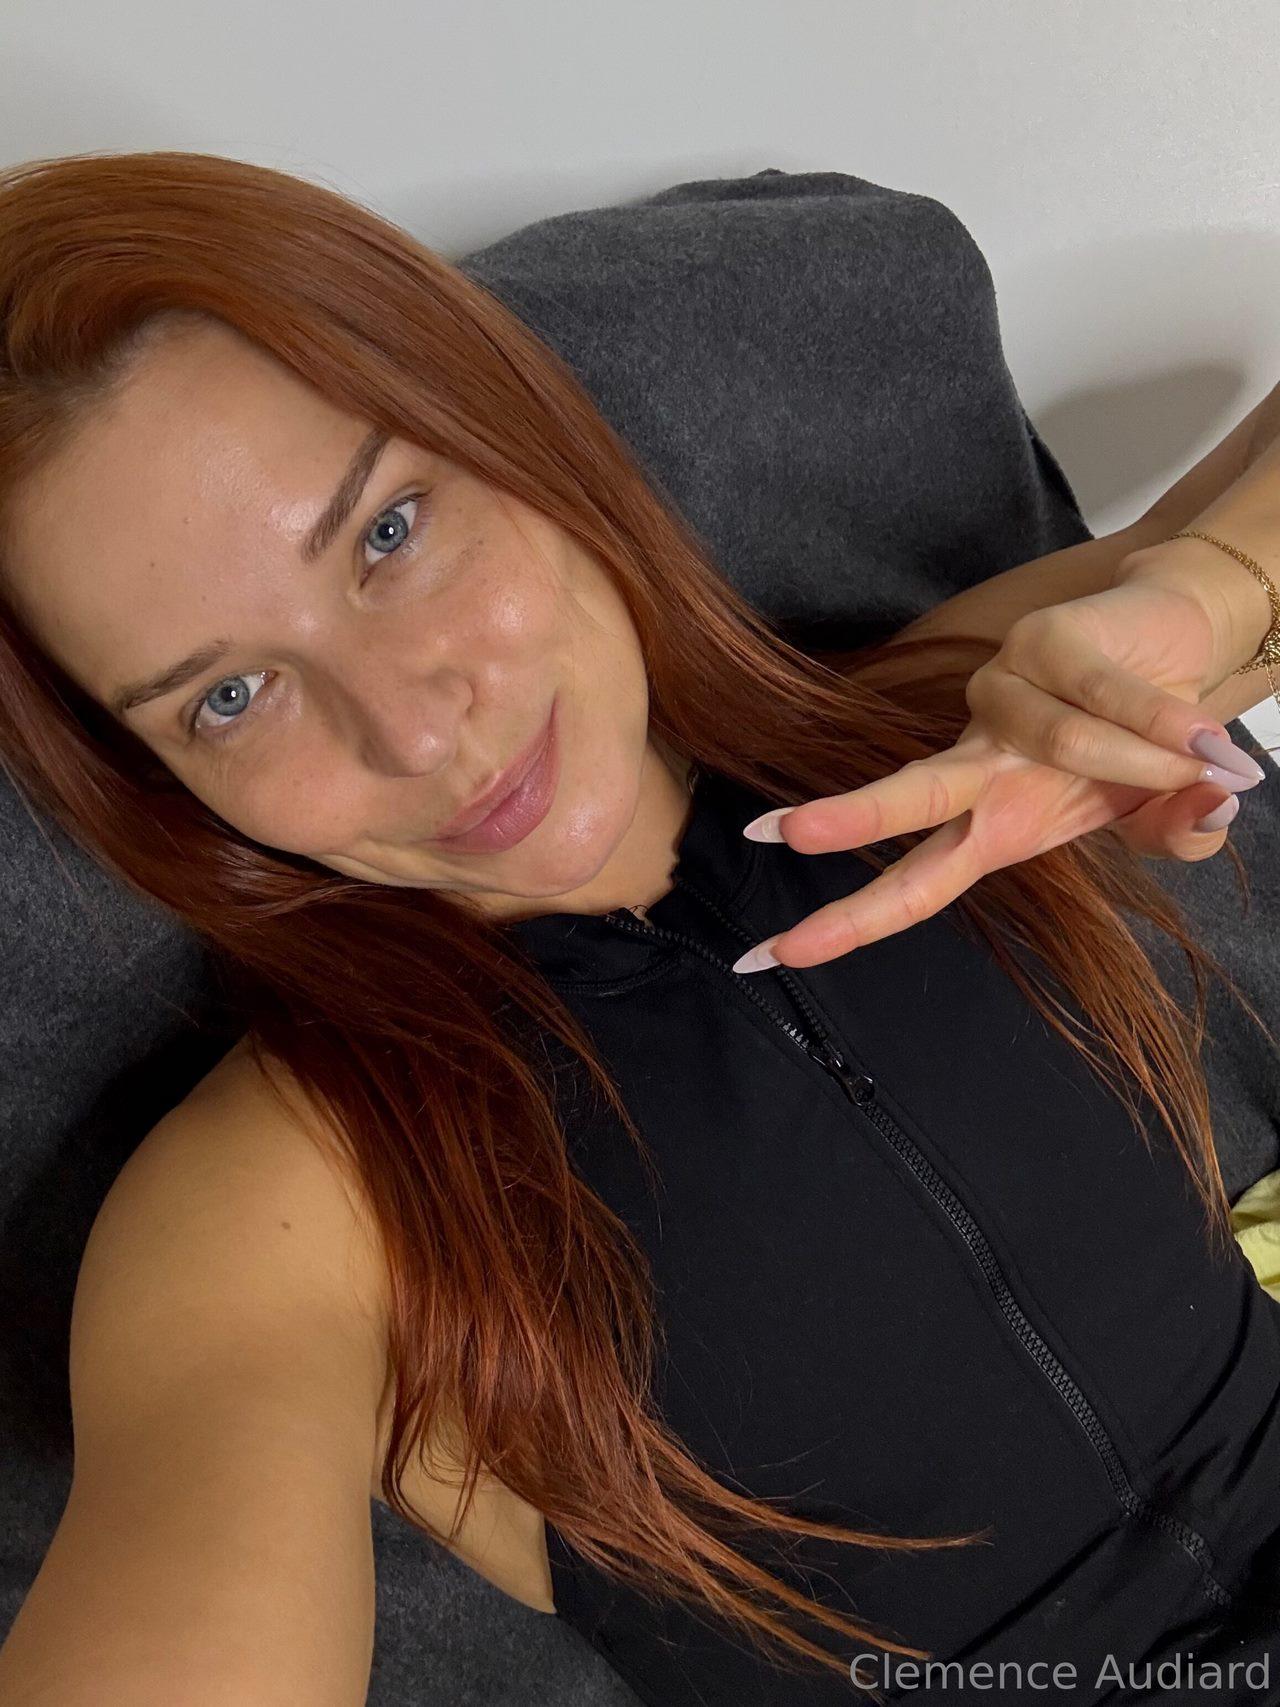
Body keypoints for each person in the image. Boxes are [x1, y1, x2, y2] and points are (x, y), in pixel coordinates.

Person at [0, 150, 1278, 1707]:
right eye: (229, 696)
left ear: (514, 432)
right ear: (156, 780)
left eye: (389, 534)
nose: (417, 730)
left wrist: (1207, 597)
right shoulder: (281, 1203)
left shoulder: (945, 722)